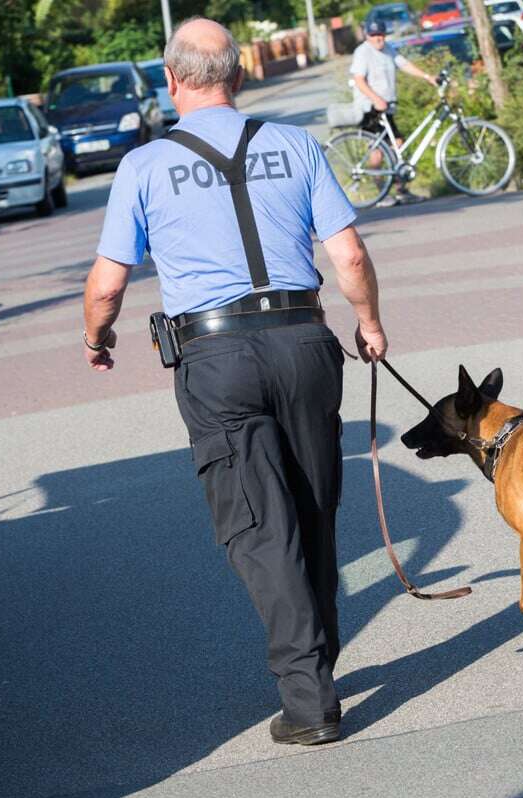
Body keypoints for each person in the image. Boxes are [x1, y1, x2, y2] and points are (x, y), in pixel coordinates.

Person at [82, 16, 389, 747]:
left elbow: (106, 286)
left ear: (171, 79)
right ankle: (316, 667)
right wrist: (370, 324)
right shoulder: (294, 144)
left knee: (258, 526)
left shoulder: (145, 166)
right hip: (305, 342)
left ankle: (309, 697)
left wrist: (97, 338)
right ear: (241, 76)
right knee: (313, 509)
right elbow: (347, 255)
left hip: (216, 360)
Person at [350, 18, 438, 204]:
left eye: (380, 34)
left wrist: (427, 76)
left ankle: (401, 190)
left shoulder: (388, 49)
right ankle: (381, 194)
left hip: (386, 110)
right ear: (367, 36)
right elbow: (358, 80)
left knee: (398, 145)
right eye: (373, 35)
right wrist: (376, 99)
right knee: (377, 152)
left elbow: (404, 64)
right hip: (370, 109)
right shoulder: (363, 52)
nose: (377, 38)